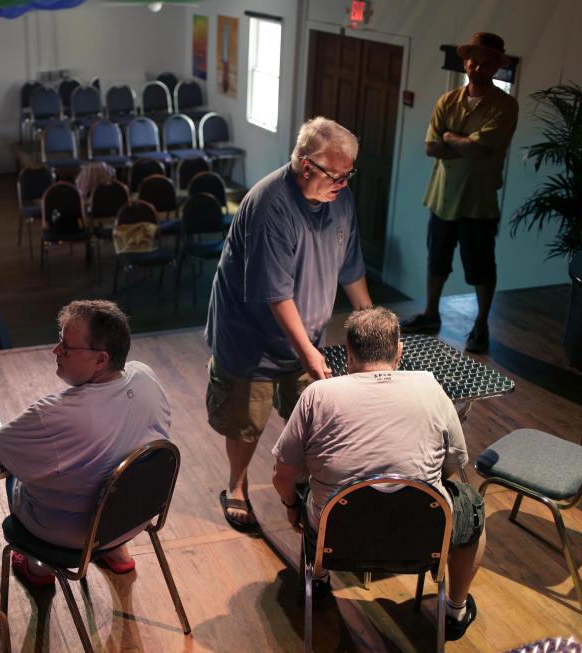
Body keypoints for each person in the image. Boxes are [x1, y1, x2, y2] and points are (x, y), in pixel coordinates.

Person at [271, 307, 485, 640]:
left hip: (337, 535)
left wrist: (290, 507)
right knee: (473, 507)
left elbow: (282, 475)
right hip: (421, 534)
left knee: (312, 491)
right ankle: (455, 611)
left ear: (348, 352)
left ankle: (321, 578)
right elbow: (455, 463)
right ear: (399, 351)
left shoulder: (317, 395)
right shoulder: (431, 389)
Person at [204, 117, 372, 532]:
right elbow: (276, 295)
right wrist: (310, 354)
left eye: (350, 174)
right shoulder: (270, 206)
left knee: (310, 416)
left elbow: (350, 268)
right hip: (250, 338)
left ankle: (301, 487)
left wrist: (371, 323)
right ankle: (236, 485)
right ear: (306, 166)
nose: (344, 184)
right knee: (247, 419)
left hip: (306, 334)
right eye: (338, 175)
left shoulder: (340, 199)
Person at [0, 300, 170, 586]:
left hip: (73, 536)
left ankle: (39, 570)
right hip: (135, 516)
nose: (56, 351)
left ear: (101, 359)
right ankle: (117, 553)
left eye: (67, 347)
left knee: (14, 467)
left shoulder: (54, 415)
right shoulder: (145, 376)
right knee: (116, 469)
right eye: (60, 340)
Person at [400, 32, 519, 353]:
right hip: (442, 196)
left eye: (485, 61)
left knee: (480, 265)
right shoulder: (447, 100)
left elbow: (482, 149)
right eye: (472, 59)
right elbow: (429, 147)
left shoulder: (505, 106)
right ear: (466, 62)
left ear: (496, 66)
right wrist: (464, 142)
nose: (476, 65)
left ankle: (481, 324)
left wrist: (450, 138)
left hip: (478, 201)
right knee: (436, 258)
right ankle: (430, 314)